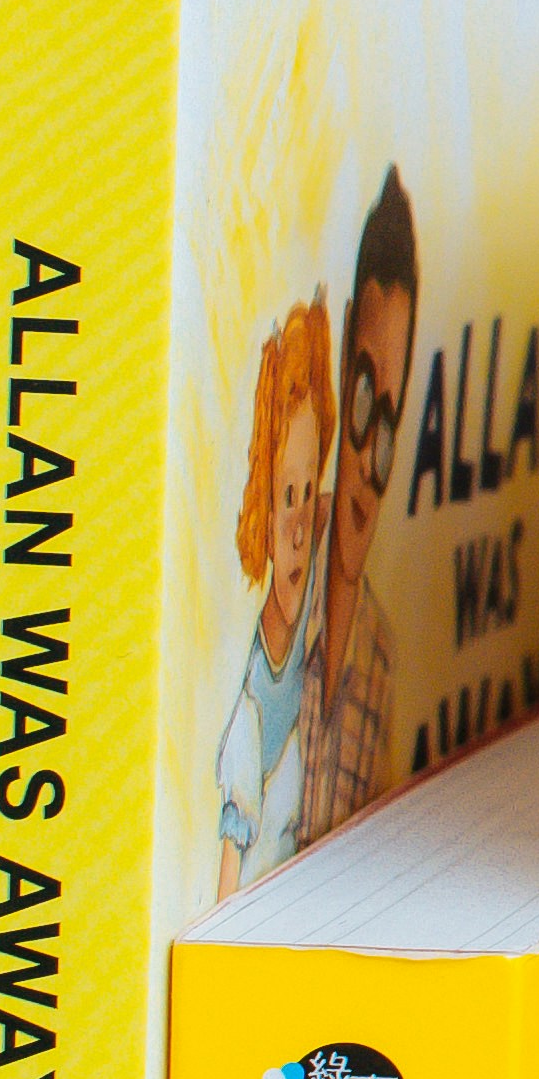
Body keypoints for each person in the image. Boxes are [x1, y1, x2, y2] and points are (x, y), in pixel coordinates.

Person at [297, 171, 419, 847]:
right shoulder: (284, 573)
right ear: (345, 359)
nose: (370, 463)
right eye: (366, 404)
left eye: (390, 430)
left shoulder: (380, 658)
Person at [210, 297, 332, 894]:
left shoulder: (311, 621)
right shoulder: (248, 713)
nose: (301, 529)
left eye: (308, 495)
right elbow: (225, 892)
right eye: (287, 498)